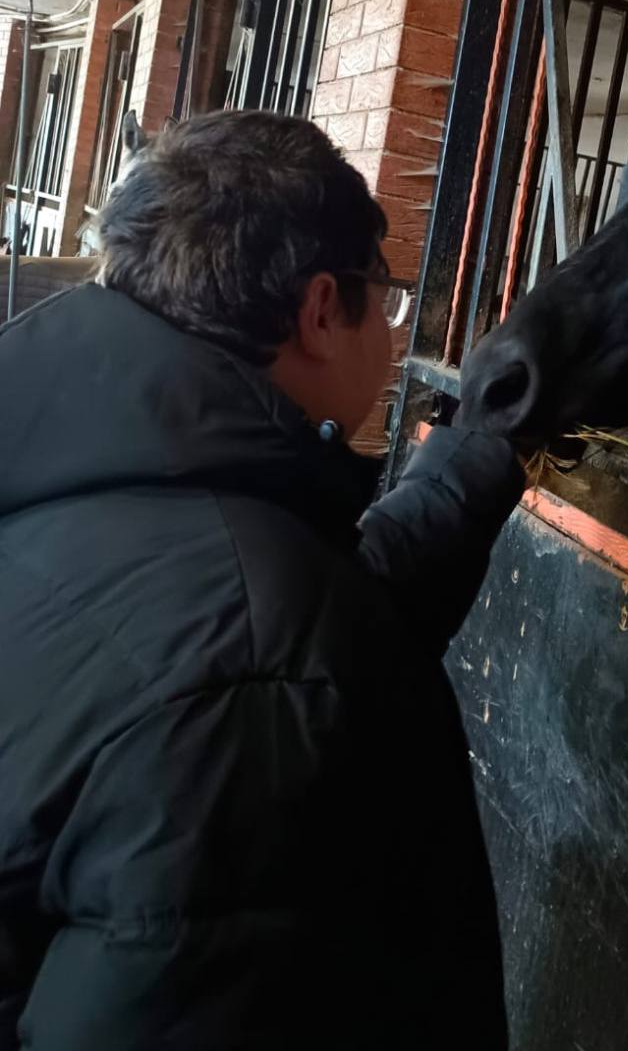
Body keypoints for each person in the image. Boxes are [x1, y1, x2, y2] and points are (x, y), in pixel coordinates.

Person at [0, 111, 524, 1050]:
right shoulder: (260, 667)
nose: (396, 335)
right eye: (386, 297)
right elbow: (259, 672)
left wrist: (468, 467)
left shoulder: (67, 480)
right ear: (322, 309)